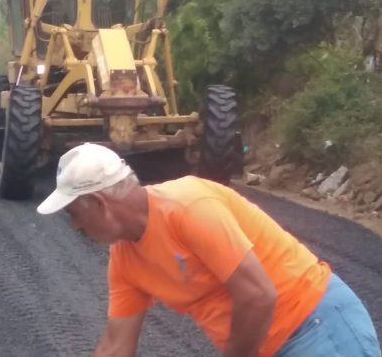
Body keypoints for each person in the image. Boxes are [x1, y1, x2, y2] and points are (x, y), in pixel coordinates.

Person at [37, 143, 381, 357]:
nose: (76, 227)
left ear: (98, 202)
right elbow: (115, 347)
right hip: (262, 345)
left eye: (74, 213)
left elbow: (258, 295)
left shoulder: (187, 207)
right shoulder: (125, 259)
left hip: (316, 327)